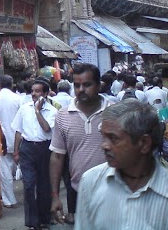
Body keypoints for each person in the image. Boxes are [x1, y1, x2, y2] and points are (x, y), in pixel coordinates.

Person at [76, 100, 168, 229]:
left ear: (144, 143)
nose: (104, 146)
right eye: (103, 137)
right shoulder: (91, 182)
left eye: (113, 138)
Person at [49, 63, 108, 226]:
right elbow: (57, 156)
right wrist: (55, 196)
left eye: (87, 84)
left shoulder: (114, 112)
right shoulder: (63, 116)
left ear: (98, 85)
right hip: (78, 191)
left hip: (112, 191)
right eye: (77, 85)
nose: (81, 89)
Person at [12, 78, 57, 230]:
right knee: (29, 185)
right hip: (28, 149)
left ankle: (45, 218)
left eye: (37, 91)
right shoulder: (24, 108)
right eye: (32, 91)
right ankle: (32, 221)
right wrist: (16, 150)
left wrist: (37, 111)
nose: (34, 94)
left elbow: (46, 129)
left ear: (45, 93)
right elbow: (18, 130)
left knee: (44, 185)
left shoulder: (52, 111)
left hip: (44, 149)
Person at [0, 74, 20, 208]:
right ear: (12, 84)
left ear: (0, 85)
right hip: (18, 138)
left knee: (5, 170)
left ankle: (9, 199)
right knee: (20, 167)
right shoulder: (18, 99)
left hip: (2, 139)